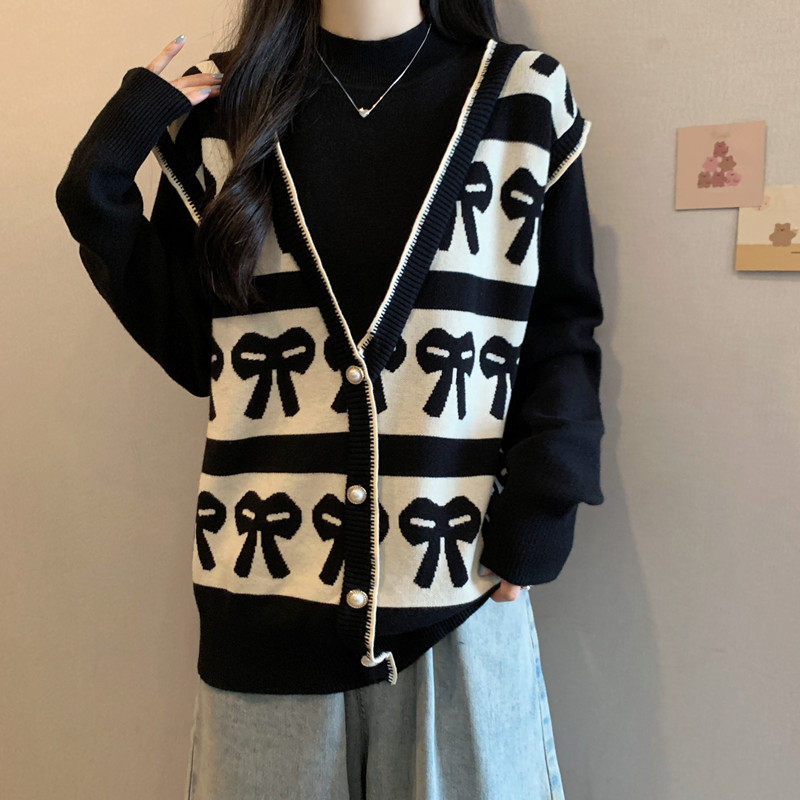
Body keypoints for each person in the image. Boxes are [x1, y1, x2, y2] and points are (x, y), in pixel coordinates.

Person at [55, 1, 605, 797]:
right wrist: (102, 172)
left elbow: (562, 323)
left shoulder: (522, 98)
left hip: (459, 597)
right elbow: (202, 357)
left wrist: (542, 511)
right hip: (263, 617)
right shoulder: (224, 116)